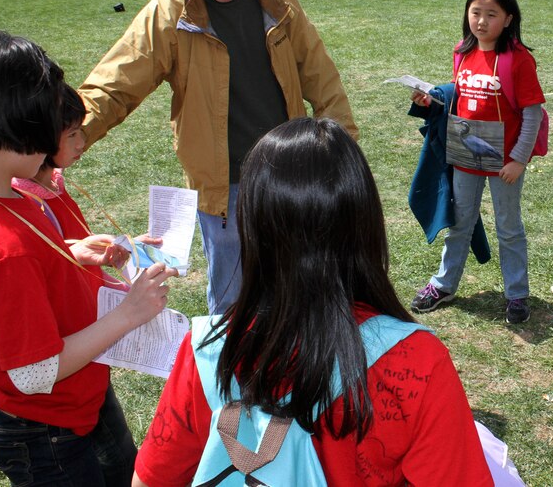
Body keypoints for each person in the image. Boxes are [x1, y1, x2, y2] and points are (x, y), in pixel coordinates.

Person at [132, 118, 493, 486]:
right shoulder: (418, 361)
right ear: (366, 221)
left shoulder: (209, 350)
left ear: (254, 228)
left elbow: (150, 479)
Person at [79, 0, 357, 315]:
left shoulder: (277, 0)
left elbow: (319, 73)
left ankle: (291, 372)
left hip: (286, 172)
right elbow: (117, 83)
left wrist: (343, 146)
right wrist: (71, 134)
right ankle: (232, 376)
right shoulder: (169, 13)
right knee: (232, 299)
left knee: (295, 283)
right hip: (221, 182)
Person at [0, 30, 178, 487]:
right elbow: (34, 372)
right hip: (44, 428)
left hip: (76, 401)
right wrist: (128, 314)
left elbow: (20, 276)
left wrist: (71, 253)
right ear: (14, 126)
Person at [409, 0, 545, 325]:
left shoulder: (519, 60)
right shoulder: (462, 51)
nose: (481, 21)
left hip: (505, 162)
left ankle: (516, 293)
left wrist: (518, 159)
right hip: (466, 157)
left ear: (508, 18)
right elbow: (462, 93)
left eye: (491, 14)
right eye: (475, 13)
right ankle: (443, 284)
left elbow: (532, 113)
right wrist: (432, 99)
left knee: (508, 227)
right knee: (460, 222)